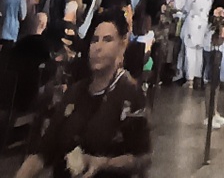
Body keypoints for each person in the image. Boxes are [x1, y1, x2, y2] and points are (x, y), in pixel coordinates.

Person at [16, 9, 151, 178]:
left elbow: (143, 157)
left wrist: (105, 163)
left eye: (107, 40)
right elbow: (44, 150)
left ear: (121, 46)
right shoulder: (76, 92)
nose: (98, 47)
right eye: (95, 40)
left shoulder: (130, 94)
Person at [182, 0, 213, 89]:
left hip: (193, 22)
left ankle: (189, 79)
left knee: (190, 50)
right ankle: (198, 76)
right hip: (204, 23)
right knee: (200, 50)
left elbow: (187, 8)